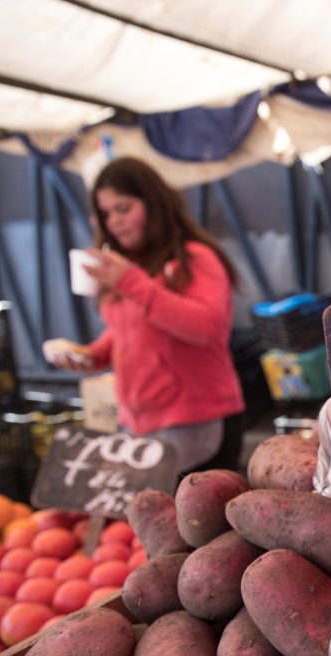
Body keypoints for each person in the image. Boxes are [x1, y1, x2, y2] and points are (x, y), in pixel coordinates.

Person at [45, 157, 246, 475]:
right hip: (137, 425)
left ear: (155, 204)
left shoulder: (195, 258)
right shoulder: (132, 269)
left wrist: (130, 281)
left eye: (124, 209)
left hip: (196, 423)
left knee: (192, 522)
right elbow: (130, 330)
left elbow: (206, 327)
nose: (115, 222)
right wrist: (93, 356)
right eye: (106, 214)